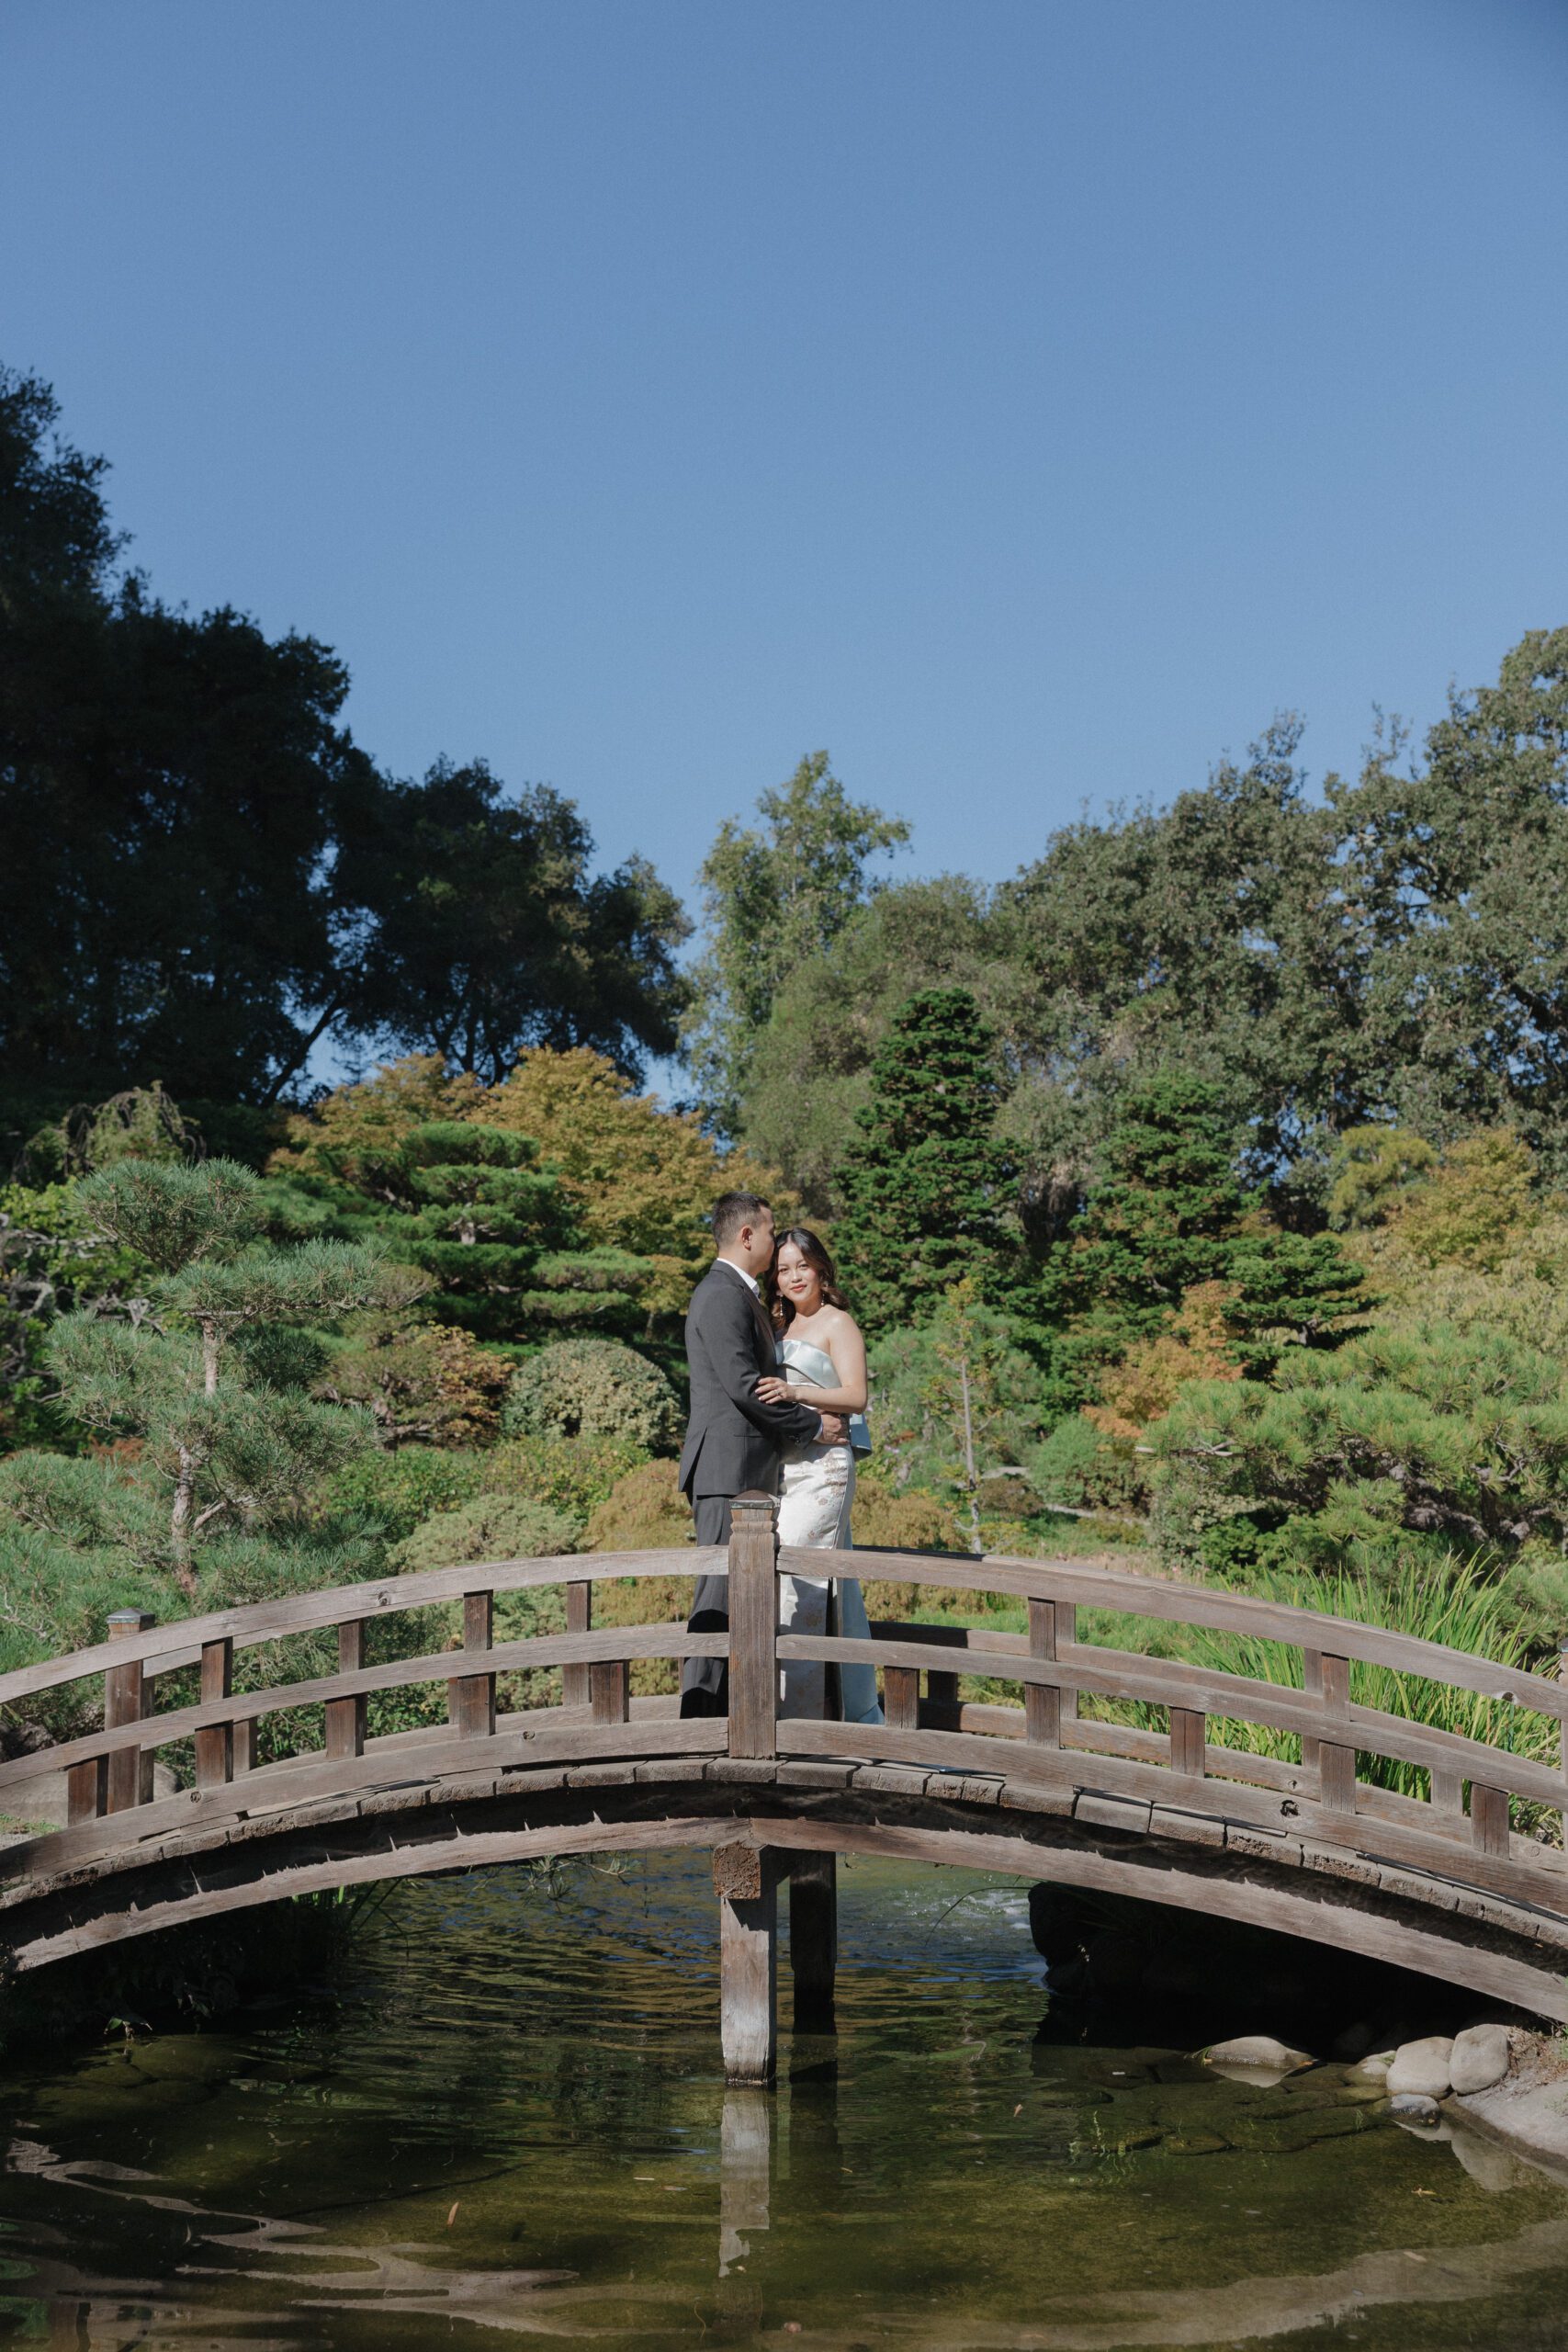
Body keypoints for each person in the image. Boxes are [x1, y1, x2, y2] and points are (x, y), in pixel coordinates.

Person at [678, 1193, 849, 1717]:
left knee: (741, 1600)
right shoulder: (722, 1293)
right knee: (718, 1597)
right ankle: (697, 1725)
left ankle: (731, 1721)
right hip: (727, 1469)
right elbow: (744, 1386)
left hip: (746, 1470)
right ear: (747, 1235)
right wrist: (813, 1426)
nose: (775, 1245)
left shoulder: (739, 1293)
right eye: (771, 1233)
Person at [757, 1227, 884, 1726]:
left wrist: (796, 1396)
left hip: (827, 1467)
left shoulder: (838, 1322)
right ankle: (843, 1710)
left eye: (801, 1266)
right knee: (817, 1586)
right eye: (783, 1269)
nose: (793, 1277)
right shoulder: (779, 1327)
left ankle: (802, 1719)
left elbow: (855, 1397)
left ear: (821, 1268)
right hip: (787, 1467)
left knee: (800, 1580)